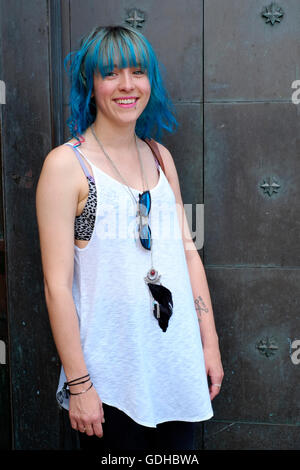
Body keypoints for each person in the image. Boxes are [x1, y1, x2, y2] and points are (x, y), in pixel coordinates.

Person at [35, 25, 224, 452]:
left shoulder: (160, 156)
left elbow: (188, 255)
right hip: (112, 382)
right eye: (111, 74)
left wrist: (208, 346)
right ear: (90, 83)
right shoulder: (67, 166)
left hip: (176, 371)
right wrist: (80, 384)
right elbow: (56, 287)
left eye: (137, 73)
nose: (126, 86)